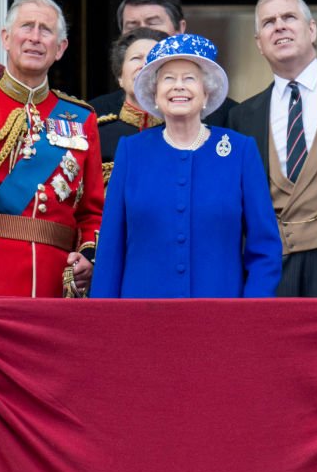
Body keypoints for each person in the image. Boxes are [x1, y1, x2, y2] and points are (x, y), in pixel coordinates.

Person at [91, 34, 281, 298]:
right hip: (141, 317)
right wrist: (105, 321)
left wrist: (250, 315)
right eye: (168, 79)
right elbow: (111, 248)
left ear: (206, 92)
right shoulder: (131, 151)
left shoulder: (239, 151)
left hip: (219, 316)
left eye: (189, 78)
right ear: (155, 94)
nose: (178, 86)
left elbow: (265, 249)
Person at [0, 0, 103, 297]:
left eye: (46, 30)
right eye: (27, 27)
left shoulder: (81, 118)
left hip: (54, 277)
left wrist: (88, 256)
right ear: (6, 38)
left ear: (60, 48)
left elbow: (92, 211)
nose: (35, 38)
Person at [227, 0, 317, 296]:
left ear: (311, 29)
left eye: (289, 17)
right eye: (269, 22)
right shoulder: (242, 116)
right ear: (260, 43)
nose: (280, 26)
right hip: (271, 266)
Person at [91, 0, 238, 127]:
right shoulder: (94, 114)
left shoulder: (228, 115)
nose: (143, 34)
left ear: (180, 29)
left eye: (153, 24)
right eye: (132, 27)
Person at [97, 27, 169, 185]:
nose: (144, 65)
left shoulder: (184, 133)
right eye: (136, 58)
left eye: (153, 58)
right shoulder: (95, 134)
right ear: (120, 77)